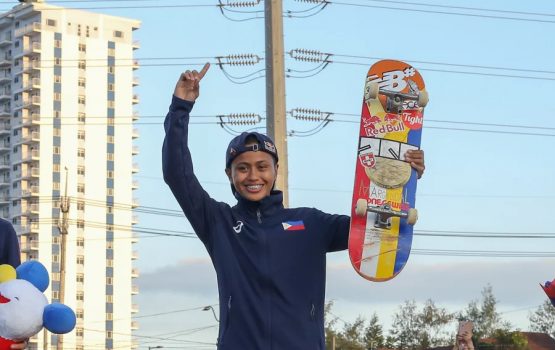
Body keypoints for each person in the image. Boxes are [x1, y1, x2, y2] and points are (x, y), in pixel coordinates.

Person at [162, 63, 425, 349]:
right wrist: (180, 108)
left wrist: (403, 176)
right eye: (242, 168)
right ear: (230, 174)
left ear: (276, 170)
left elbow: (374, 222)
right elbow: (177, 175)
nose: (253, 176)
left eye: (262, 167)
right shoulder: (218, 223)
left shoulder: (311, 224)